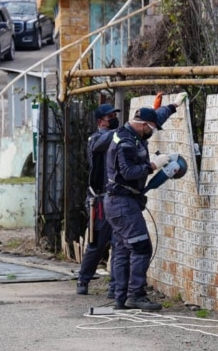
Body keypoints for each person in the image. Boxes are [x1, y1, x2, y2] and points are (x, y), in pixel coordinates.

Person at [104, 103, 178, 311]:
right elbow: (128, 172)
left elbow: (157, 117)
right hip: (122, 203)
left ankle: (121, 298)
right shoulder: (126, 142)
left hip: (120, 202)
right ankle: (135, 294)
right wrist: (153, 165)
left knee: (123, 249)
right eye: (152, 129)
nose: (152, 132)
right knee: (140, 246)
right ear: (143, 124)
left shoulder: (131, 134)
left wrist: (172, 106)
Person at [75, 103, 121, 296]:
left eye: (114, 116)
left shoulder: (118, 137)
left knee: (119, 244)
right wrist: (130, 127)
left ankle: (115, 287)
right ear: (100, 121)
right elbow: (111, 138)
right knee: (97, 244)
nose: (113, 119)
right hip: (99, 201)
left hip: (116, 198)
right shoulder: (95, 140)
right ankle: (83, 280)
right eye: (110, 117)